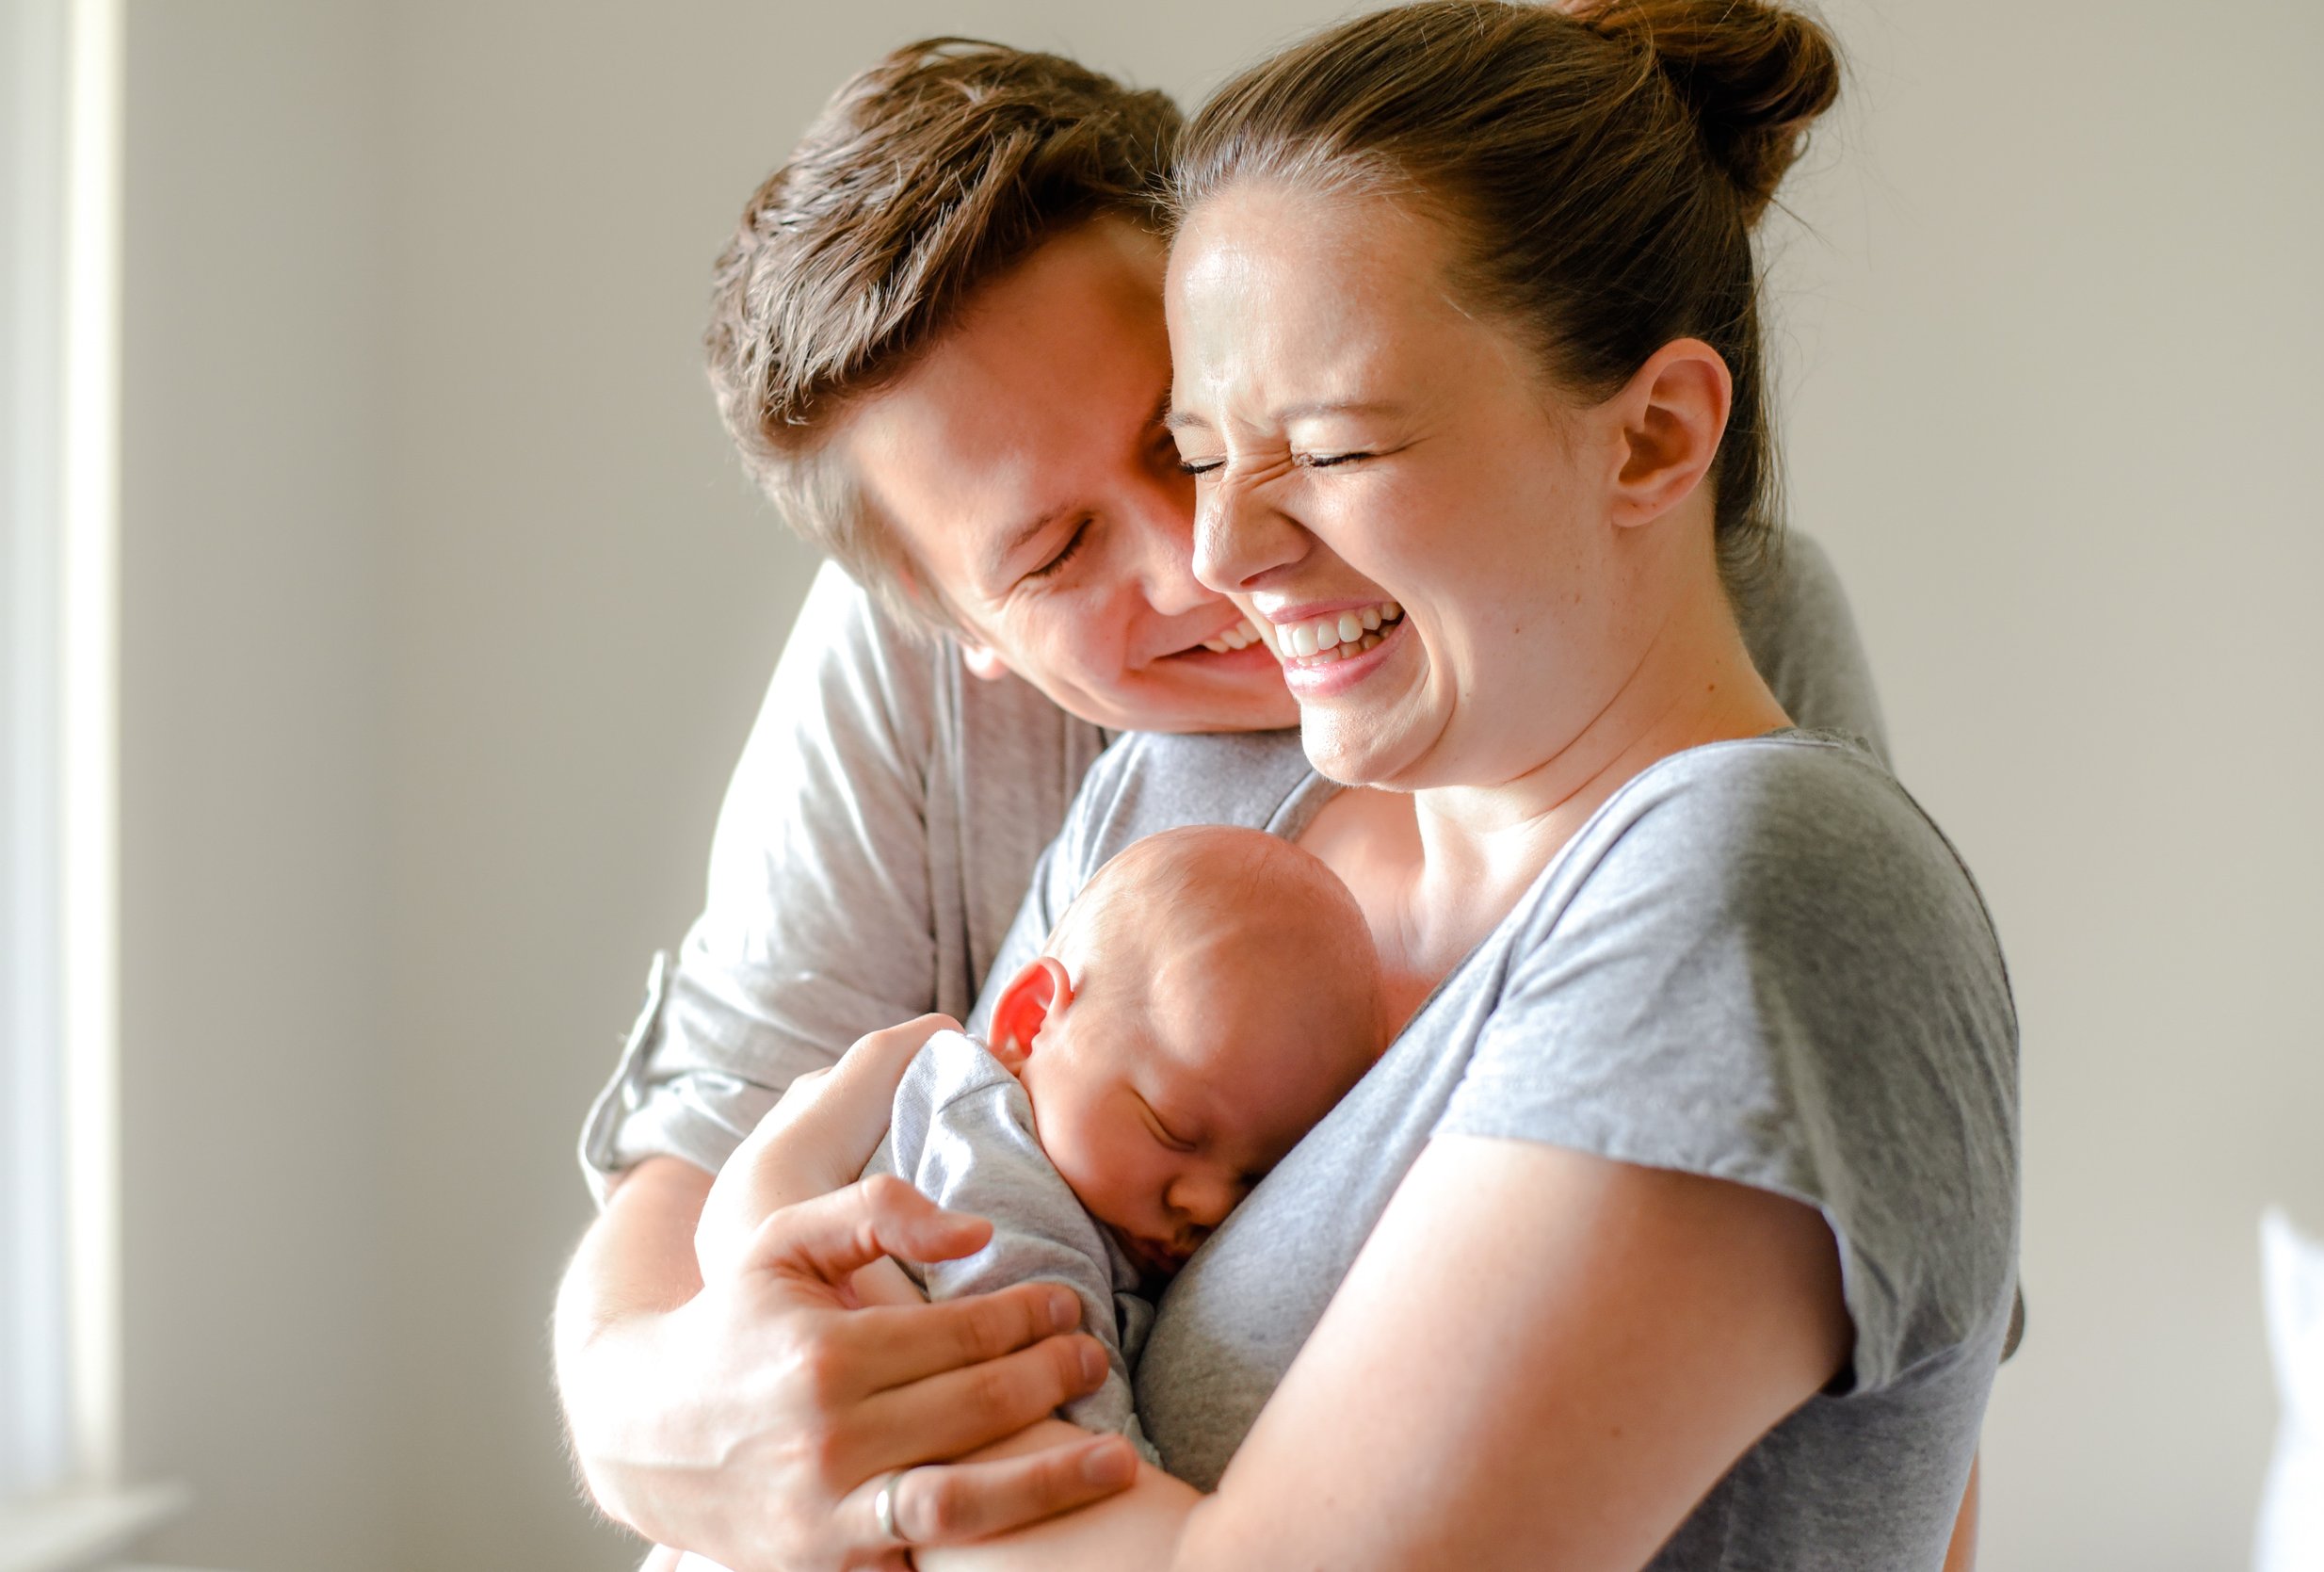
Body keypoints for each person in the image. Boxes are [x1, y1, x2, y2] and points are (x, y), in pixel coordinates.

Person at [662, 3, 2020, 1569]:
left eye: (1334, 447)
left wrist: (831, 1382)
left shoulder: (1760, 883)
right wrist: (744, 1272)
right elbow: (915, 1249)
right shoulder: (1182, 810)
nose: (1220, 555)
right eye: (1205, 445)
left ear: (1653, 436)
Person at [639, 825, 1384, 1572]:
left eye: (1254, 1178)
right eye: (1174, 1130)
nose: (1208, 1201)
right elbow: (1040, 1379)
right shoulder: (992, 1140)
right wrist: (1135, 1479)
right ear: (1030, 1018)